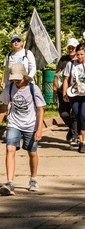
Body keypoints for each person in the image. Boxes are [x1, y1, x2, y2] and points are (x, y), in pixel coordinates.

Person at [0, 64, 45, 195]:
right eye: (14, 79)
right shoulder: (8, 89)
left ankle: (33, 179)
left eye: (19, 79)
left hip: (31, 124)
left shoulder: (33, 88)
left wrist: (39, 128)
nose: (17, 81)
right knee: (10, 149)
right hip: (14, 123)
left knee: (32, 152)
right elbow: (3, 108)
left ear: (25, 76)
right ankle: (10, 183)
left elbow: (40, 109)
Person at [61, 44, 85, 153]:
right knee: (77, 116)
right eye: (78, 54)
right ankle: (80, 139)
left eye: (82, 54)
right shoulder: (70, 64)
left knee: (84, 116)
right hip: (75, 94)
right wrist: (65, 93)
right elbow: (66, 79)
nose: (80, 57)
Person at [53, 38, 79, 141]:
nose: (71, 49)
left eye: (73, 47)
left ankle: (75, 135)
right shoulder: (63, 59)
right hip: (62, 91)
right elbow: (56, 75)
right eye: (69, 47)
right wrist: (54, 92)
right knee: (64, 113)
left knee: (75, 114)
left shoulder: (81, 58)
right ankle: (72, 128)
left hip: (76, 91)